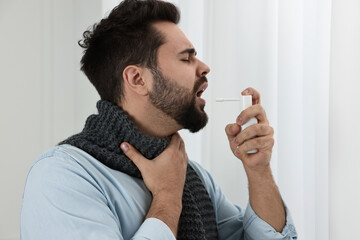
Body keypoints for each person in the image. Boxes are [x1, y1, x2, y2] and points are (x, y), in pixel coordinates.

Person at [20, 0, 297, 239]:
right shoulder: (62, 176)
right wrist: (167, 197)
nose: (204, 67)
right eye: (186, 59)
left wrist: (258, 171)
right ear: (138, 79)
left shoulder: (192, 175)